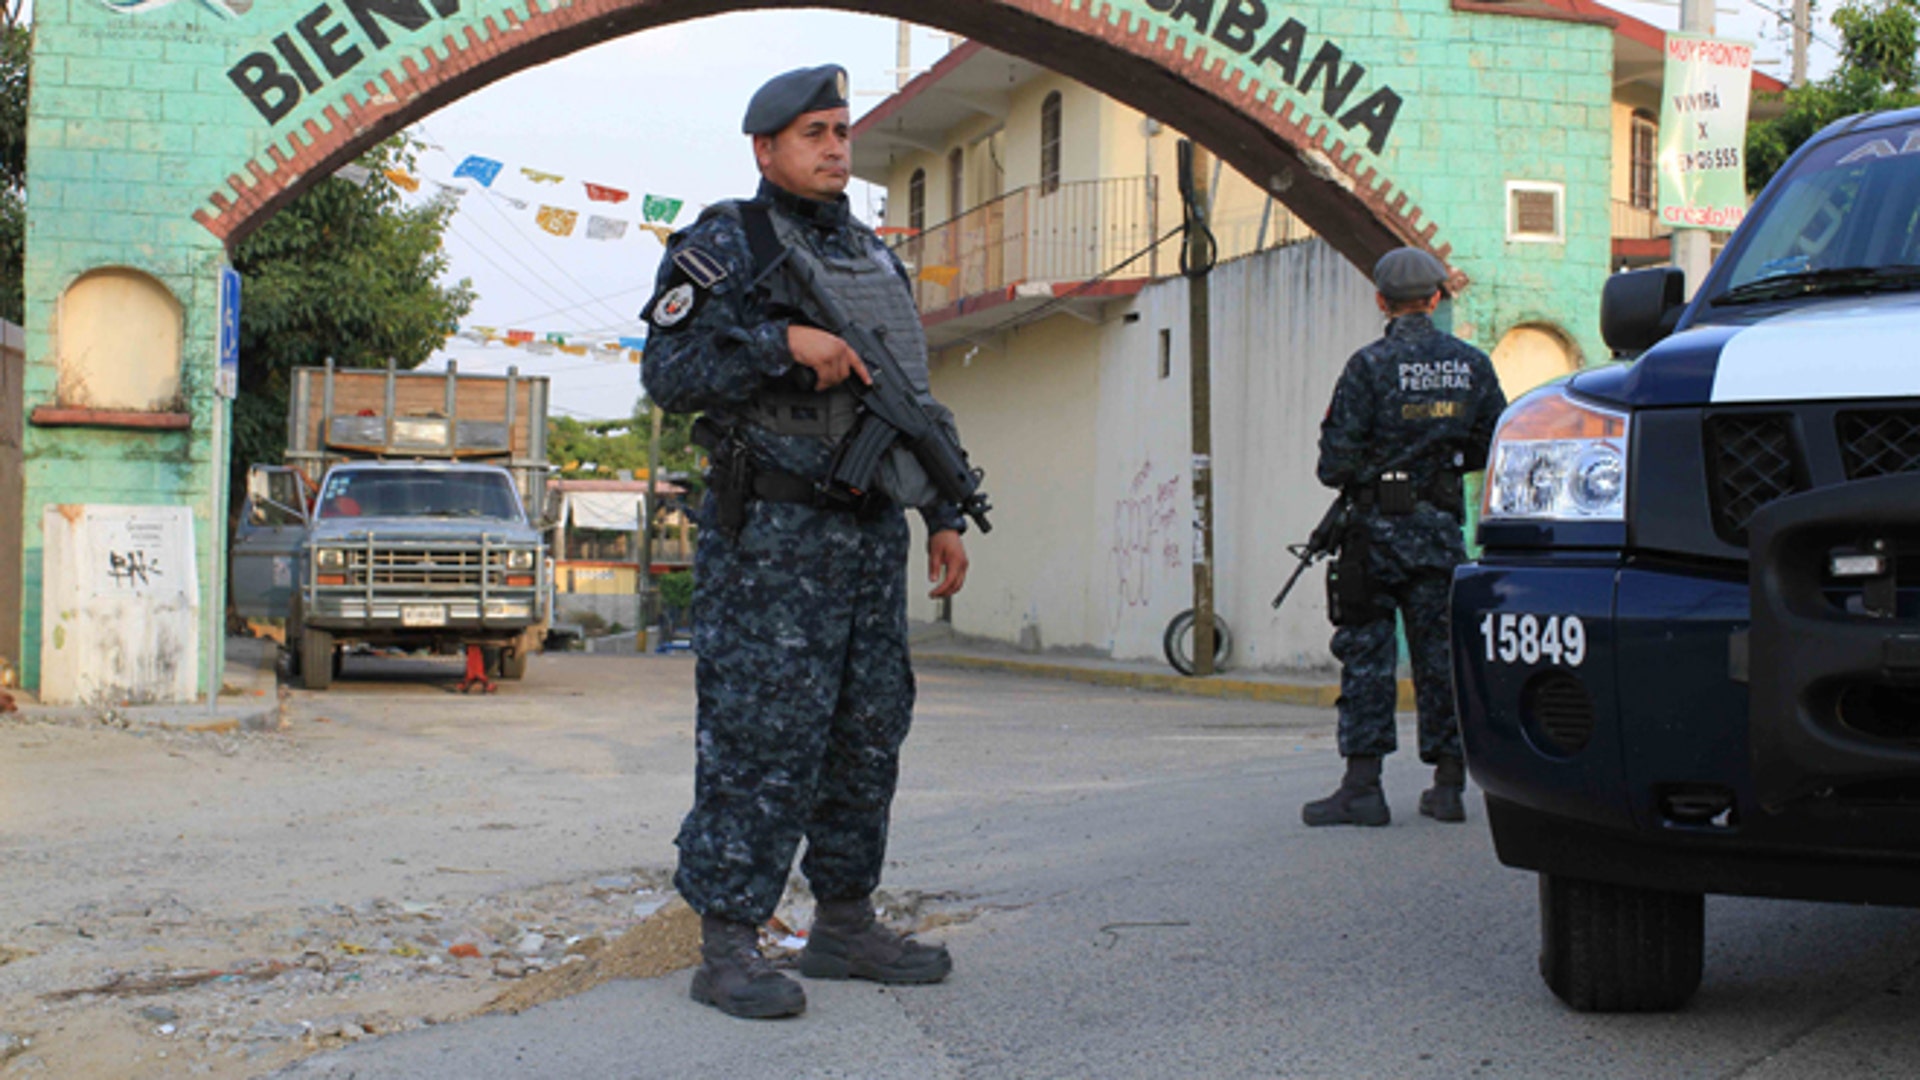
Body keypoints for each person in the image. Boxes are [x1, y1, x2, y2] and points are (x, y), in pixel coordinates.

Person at [640, 64, 973, 1020]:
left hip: (869, 536)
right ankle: (729, 944)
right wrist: (782, 343)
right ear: (766, 149)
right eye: (814, 133)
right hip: (771, 539)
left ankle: (842, 921)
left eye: (841, 131)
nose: (835, 147)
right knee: (760, 735)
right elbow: (668, 368)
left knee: (867, 732)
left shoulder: (875, 256)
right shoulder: (724, 243)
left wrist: (942, 513)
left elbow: (908, 399)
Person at [1302, 248, 1506, 829]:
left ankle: (1363, 788)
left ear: (1381, 300)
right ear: (1437, 297)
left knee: (1367, 655)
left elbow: (1334, 464)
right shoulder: (1472, 365)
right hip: (1441, 532)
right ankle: (1447, 788)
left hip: (1375, 536)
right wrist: (1441, 464)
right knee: (1441, 659)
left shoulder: (1368, 366)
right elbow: (1495, 442)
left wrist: (1379, 465)